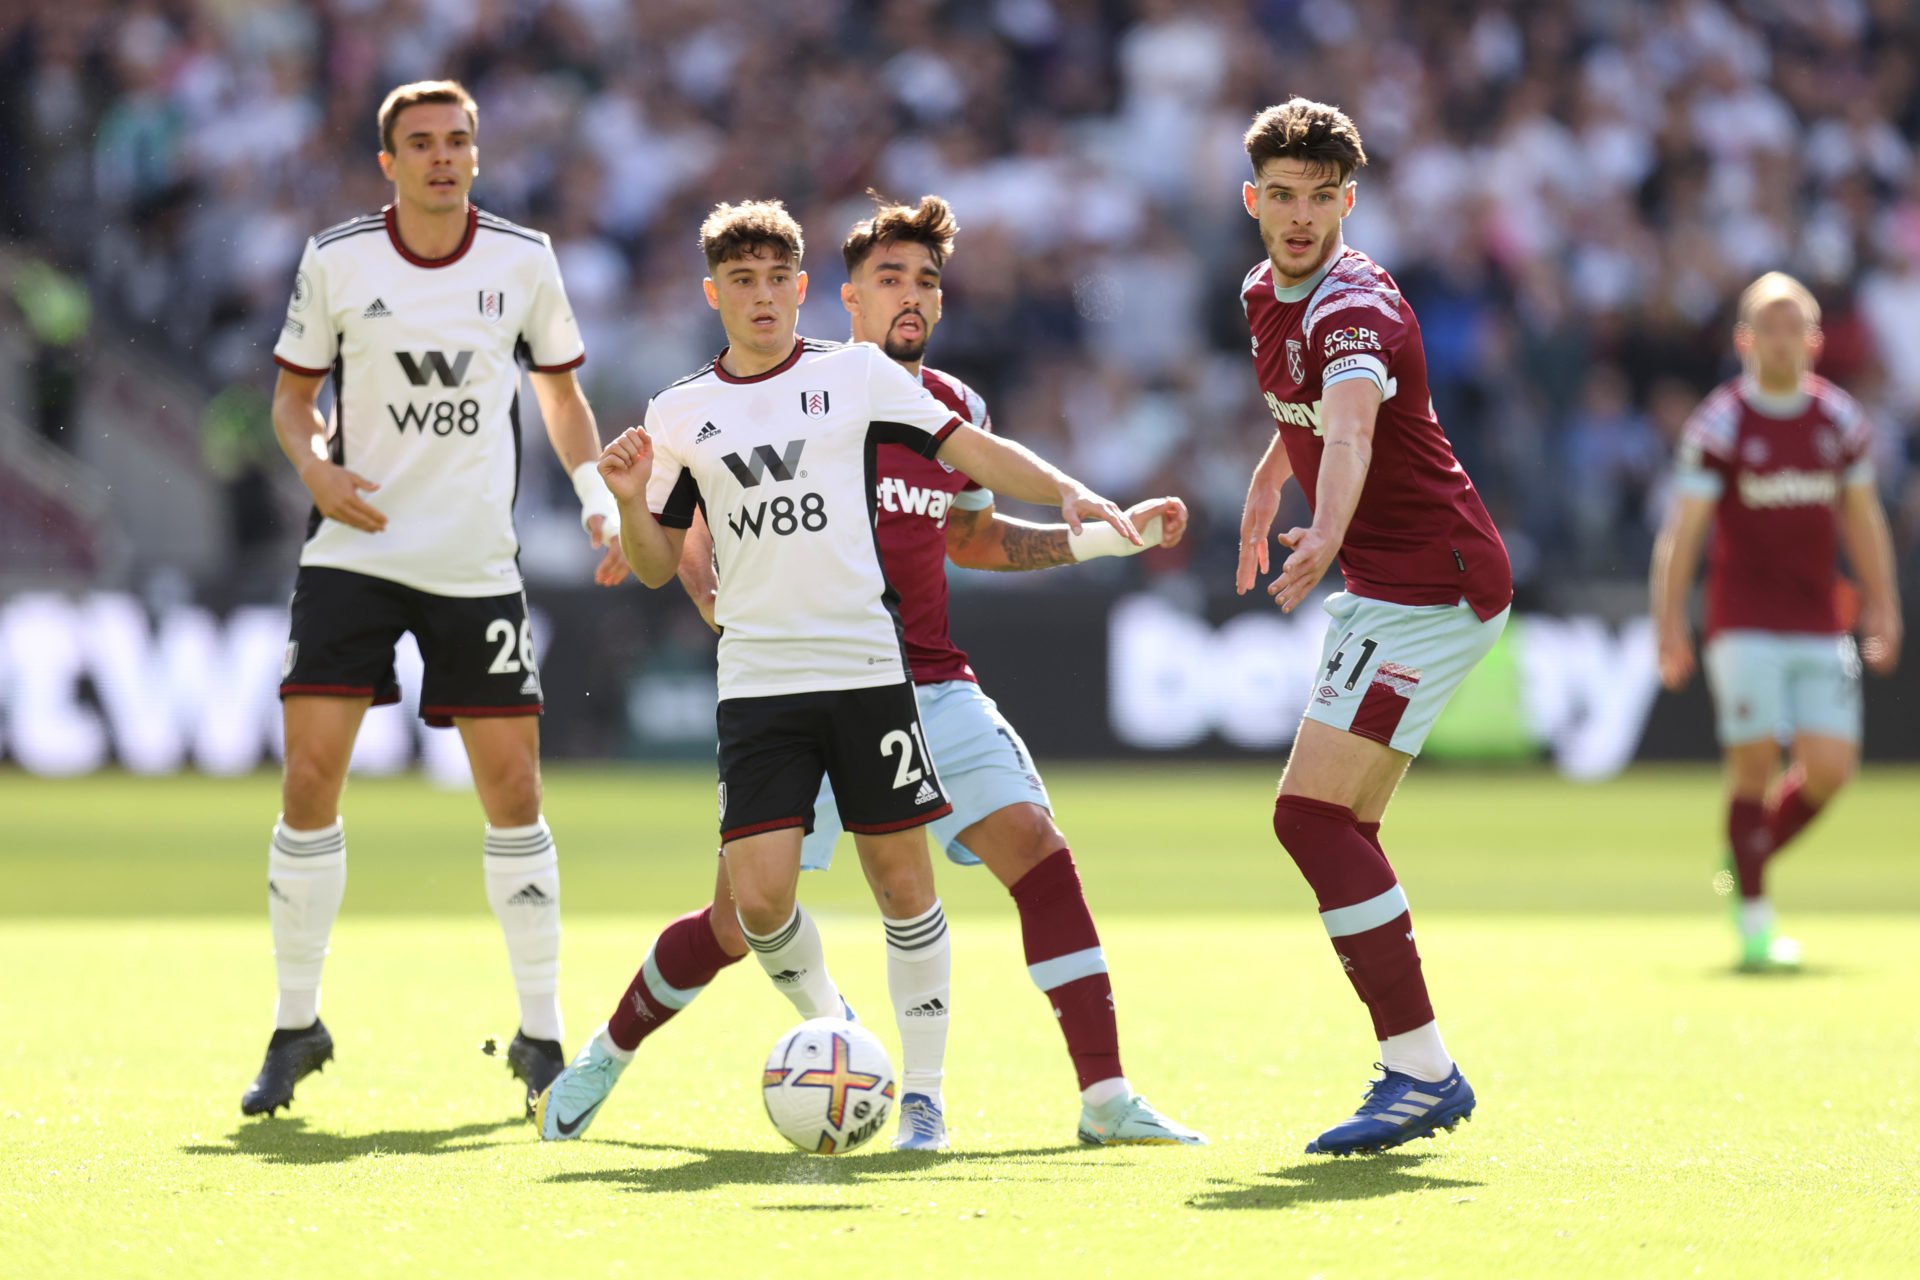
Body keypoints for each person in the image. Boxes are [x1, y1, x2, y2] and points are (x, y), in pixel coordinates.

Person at [535, 195, 1204, 1150]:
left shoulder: (933, 405)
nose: (912, 295)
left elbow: (971, 533)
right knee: (743, 913)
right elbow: (688, 541)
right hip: (781, 677)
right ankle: (616, 1047)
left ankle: (1098, 1097)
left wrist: (1086, 531)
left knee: (1035, 859)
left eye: (927, 280)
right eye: (890, 277)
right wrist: (678, 563)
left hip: (908, 675)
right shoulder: (769, 396)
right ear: (843, 298)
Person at [242, 80, 629, 1118]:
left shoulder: (523, 259)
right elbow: (289, 399)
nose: (443, 159)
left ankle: (542, 1034)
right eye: (421, 144)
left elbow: (561, 392)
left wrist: (597, 501)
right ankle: (294, 1024)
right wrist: (315, 467)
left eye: (458, 140)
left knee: (514, 793)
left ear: (475, 151)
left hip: (473, 563)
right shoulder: (337, 260)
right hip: (354, 554)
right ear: (388, 163)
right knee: (310, 777)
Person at [1233, 99, 1512, 1156]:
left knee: (1308, 819)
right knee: (1345, 825)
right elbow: (1301, 413)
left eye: (1323, 198)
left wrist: (1323, 532)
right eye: (1284, 197)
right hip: (1412, 581)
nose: (1302, 217)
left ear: (1350, 201)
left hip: (1425, 592)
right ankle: (1413, 1061)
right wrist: (1270, 480)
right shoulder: (1266, 287)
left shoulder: (1353, 306)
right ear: (1254, 200)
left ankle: (1420, 1067)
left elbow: (1349, 427)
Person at [1651, 271, 1902, 971]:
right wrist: (1670, 619)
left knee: (1830, 768)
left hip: (1820, 618)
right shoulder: (1721, 423)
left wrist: (1884, 601)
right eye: (1770, 328)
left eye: (1796, 328)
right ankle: (1756, 921)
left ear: (1816, 341)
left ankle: (1745, 854)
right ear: (1745, 340)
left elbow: (1863, 519)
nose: (1783, 341)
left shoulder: (1841, 421)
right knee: (1753, 765)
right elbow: (1685, 531)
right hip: (1744, 620)